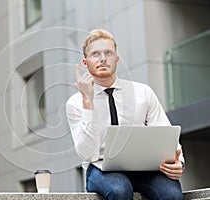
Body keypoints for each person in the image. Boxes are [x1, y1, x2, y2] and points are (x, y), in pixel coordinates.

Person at [66, 29, 185, 200]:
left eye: (108, 53)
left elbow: (165, 133)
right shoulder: (75, 103)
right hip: (101, 169)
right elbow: (87, 153)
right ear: (85, 62)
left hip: (145, 168)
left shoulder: (142, 92)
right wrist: (88, 102)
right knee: (119, 190)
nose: (102, 59)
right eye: (95, 54)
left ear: (117, 59)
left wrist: (177, 162)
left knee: (172, 194)